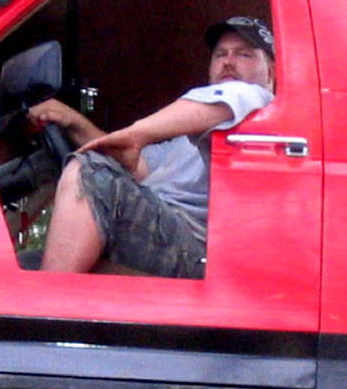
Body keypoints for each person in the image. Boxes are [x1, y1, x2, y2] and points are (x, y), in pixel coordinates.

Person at [26, 17, 276, 276]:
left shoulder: (261, 108)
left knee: (87, 173)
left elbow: (234, 95)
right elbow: (131, 162)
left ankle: (50, 297)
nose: (228, 62)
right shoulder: (186, 137)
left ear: (271, 72)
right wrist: (73, 121)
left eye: (244, 54)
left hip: (196, 251)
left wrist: (135, 135)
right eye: (220, 55)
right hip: (156, 230)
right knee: (27, 267)